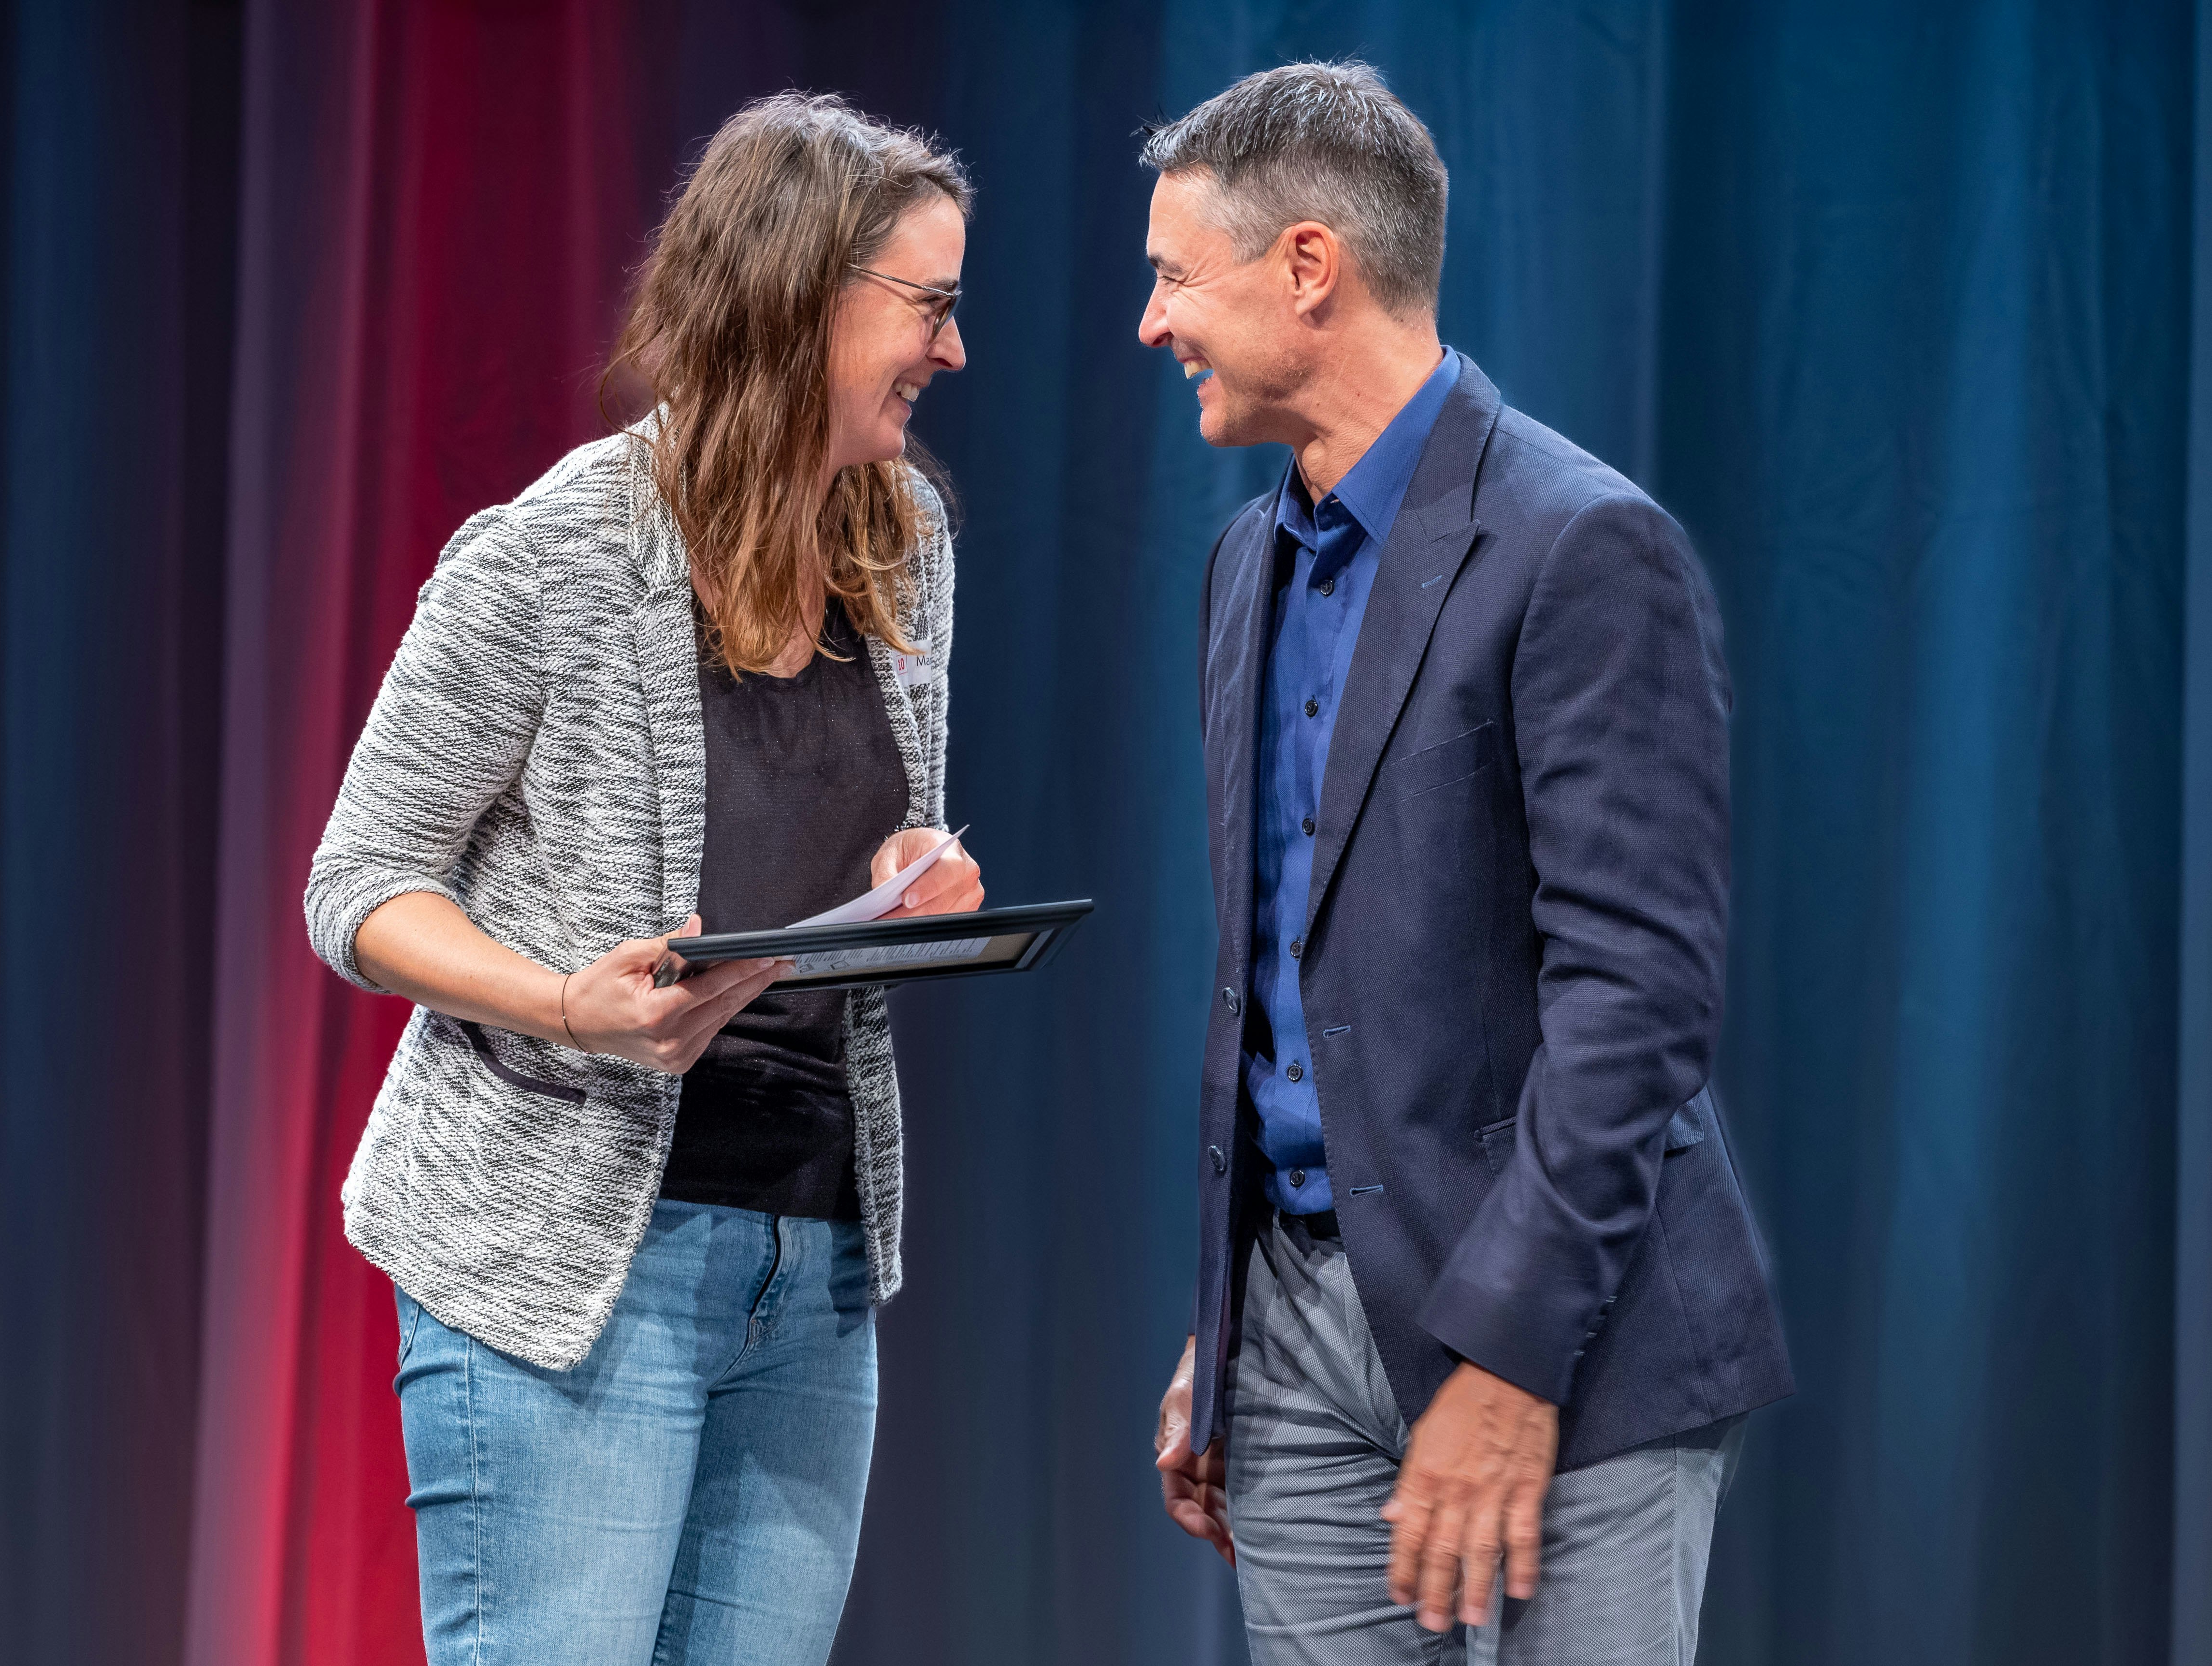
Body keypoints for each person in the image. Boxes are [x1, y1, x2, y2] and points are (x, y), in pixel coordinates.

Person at [302, 93, 982, 1666]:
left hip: (805, 1257)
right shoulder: (549, 552)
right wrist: (564, 1003)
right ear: (801, 296)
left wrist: (913, 875)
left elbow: (887, 842)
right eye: (928, 309)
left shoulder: (907, 538)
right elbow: (361, 880)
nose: (951, 352)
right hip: (564, 1274)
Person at [1138, 62, 1793, 1664]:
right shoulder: (1242, 563)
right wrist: (1222, 1326)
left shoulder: (1579, 544)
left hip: (1566, 1345)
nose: (1152, 323)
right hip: (1296, 1350)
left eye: (1172, 275)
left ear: (1308, 267)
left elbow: (1633, 1000)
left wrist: (1505, 1364)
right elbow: (1284, 987)